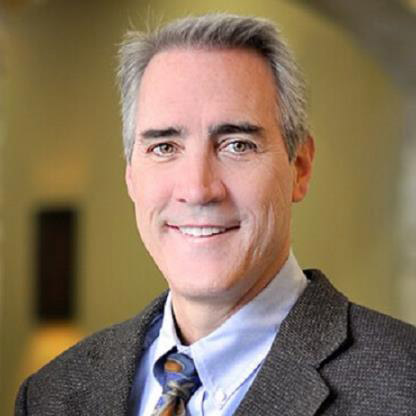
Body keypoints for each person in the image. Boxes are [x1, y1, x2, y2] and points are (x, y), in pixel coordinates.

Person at [15, 13, 416, 416]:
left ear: (301, 167)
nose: (198, 189)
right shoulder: (50, 395)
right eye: (165, 147)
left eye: (237, 145)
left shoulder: (404, 386)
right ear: (132, 176)